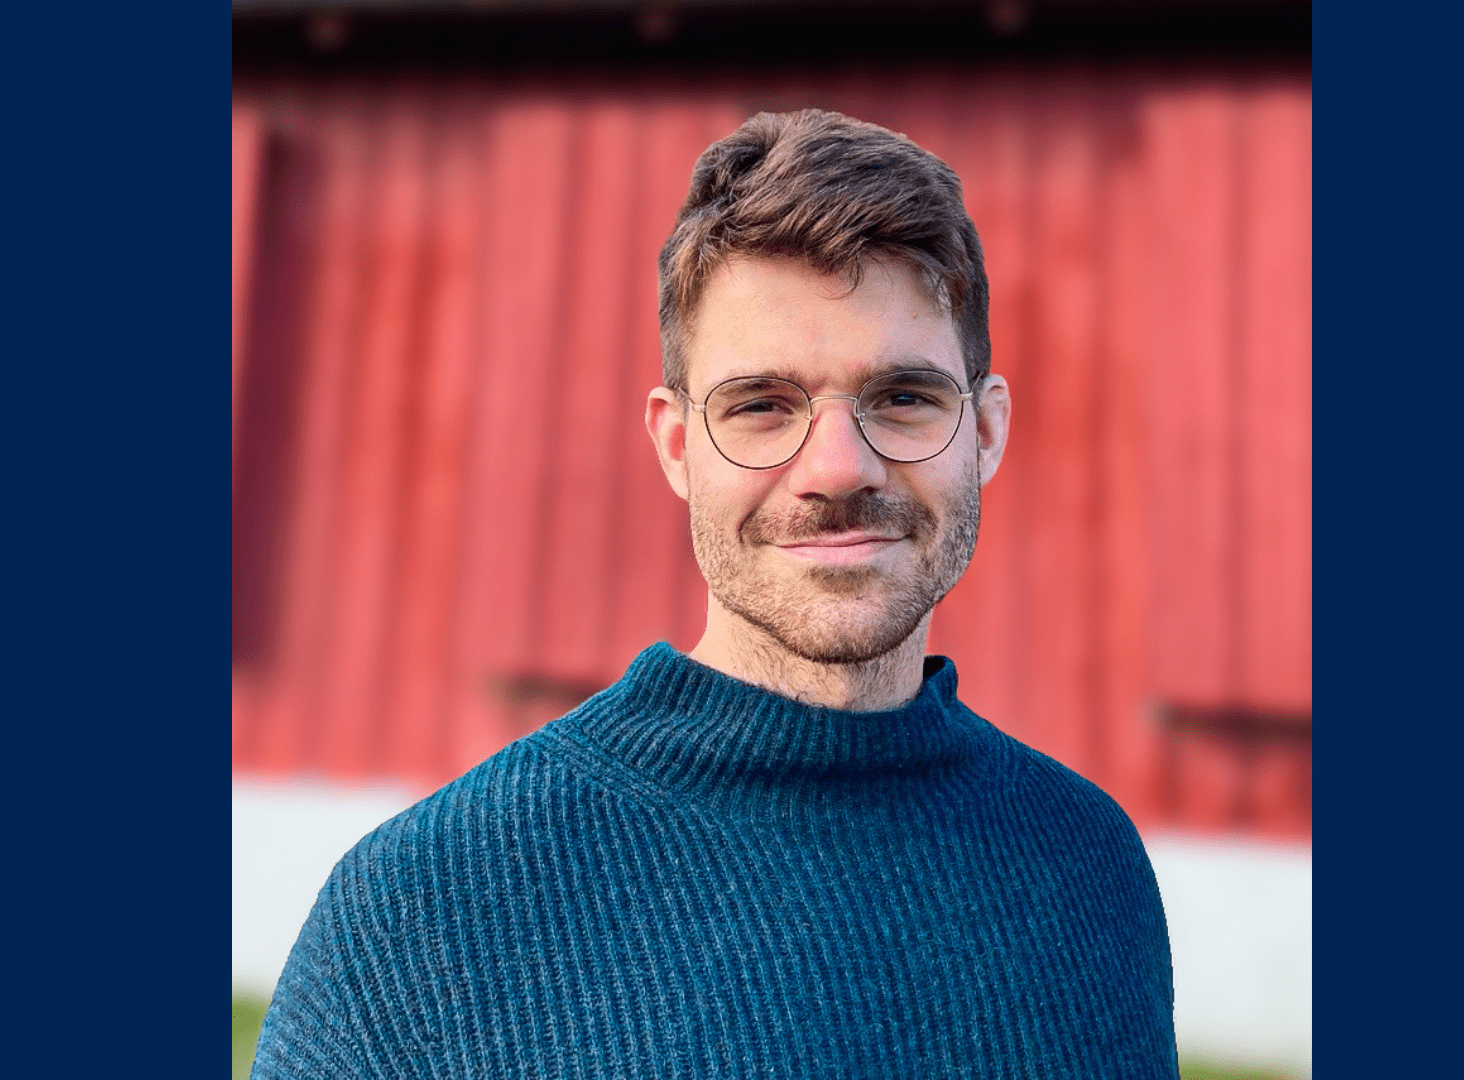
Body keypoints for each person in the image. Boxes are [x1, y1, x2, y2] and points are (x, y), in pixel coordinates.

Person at [252, 109, 1177, 1078]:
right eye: (763, 407)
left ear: (984, 431)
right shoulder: (428, 912)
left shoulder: (1087, 867)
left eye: (903, 398)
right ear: (677, 444)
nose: (836, 467)